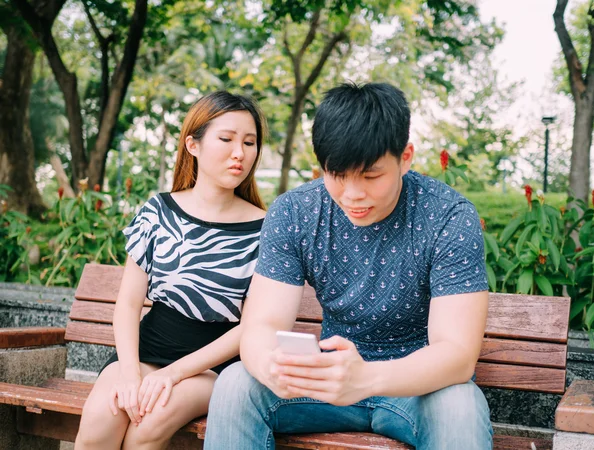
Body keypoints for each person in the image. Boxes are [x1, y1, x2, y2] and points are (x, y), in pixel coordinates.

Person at [204, 82, 492, 450]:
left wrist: (367, 378)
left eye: (371, 176)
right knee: (235, 383)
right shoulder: (295, 212)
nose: (353, 194)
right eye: (337, 175)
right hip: (327, 381)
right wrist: (270, 367)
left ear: (406, 157)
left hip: (417, 387)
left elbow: (456, 354)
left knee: (461, 405)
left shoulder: (448, 216)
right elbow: (262, 324)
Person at [75, 91, 267, 450]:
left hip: (213, 366)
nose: (239, 153)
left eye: (249, 142)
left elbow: (253, 327)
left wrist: (173, 374)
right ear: (192, 145)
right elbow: (129, 305)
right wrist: (130, 375)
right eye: (226, 139)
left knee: (148, 425)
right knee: (104, 415)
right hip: (147, 349)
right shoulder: (158, 211)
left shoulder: (265, 229)